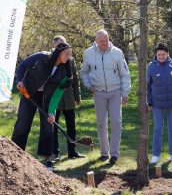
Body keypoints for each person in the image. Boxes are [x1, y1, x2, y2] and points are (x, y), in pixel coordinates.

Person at [11, 42, 72, 171]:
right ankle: (14, 156)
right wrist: (20, 80)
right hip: (29, 93)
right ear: (59, 52)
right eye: (67, 53)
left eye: (70, 54)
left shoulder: (64, 71)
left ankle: (47, 161)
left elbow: (57, 94)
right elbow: (23, 65)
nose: (69, 56)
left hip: (47, 98)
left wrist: (51, 112)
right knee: (22, 124)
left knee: (48, 127)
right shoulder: (41, 57)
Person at [80, 29, 131, 165]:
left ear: (109, 39)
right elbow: (84, 72)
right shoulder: (88, 53)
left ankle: (114, 154)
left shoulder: (117, 53)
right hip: (98, 93)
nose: (104, 43)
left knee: (116, 122)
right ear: (96, 42)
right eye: (101, 41)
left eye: (106, 40)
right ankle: (104, 153)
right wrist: (89, 85)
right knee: (101, 123)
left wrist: (125, 93)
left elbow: (125, 74)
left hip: (116, 91)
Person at [147, 43, 172, 164]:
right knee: (157, 128)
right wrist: (148, 102)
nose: (161, 56)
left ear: (168, 54)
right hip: (157, 103)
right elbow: (147, 86)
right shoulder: (151, 67)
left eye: (163, 54)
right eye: (159, 54)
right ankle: (155, 154)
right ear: (156, 54)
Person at [51, 36, 84, 160]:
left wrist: (77, 95)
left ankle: (72, 151)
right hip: (55, 99)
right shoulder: (50, 59)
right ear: (54, 45)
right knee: (53, 126)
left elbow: (75, 78)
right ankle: (56, 153)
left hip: (69, 98)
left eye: (64, 44)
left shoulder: (71, 60)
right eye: (59, 45)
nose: (63, 48)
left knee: (71, 126)